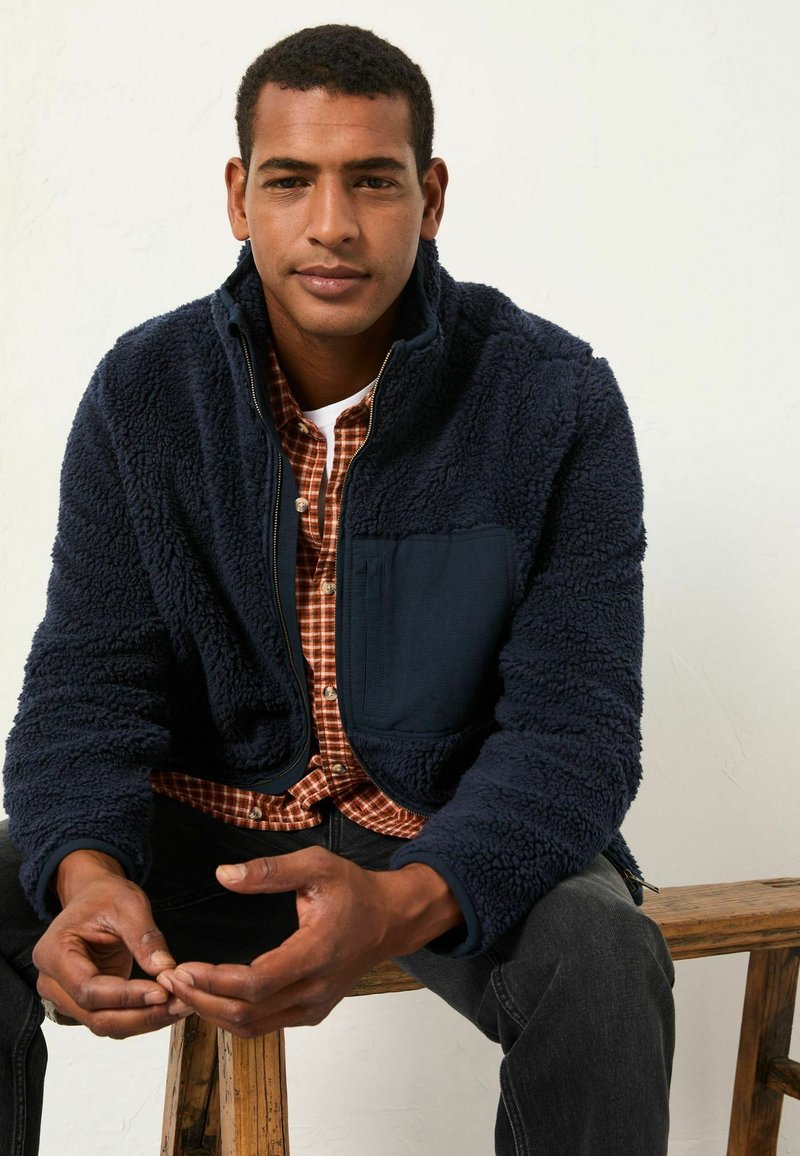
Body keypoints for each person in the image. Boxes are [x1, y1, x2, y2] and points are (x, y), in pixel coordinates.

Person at [1, 23, 675, 1156]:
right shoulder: (146, 391)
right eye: (289, 181)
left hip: (440, 836)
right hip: (205, 832)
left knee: (602, 955)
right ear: (238, 197)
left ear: (430, 195)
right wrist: (88, 874)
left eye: (371, 180)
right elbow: (86, 684)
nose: (331, 224)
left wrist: (405, 898)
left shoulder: (552, 399)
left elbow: (577, 732)